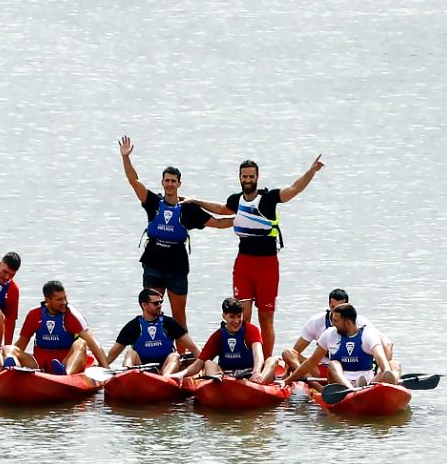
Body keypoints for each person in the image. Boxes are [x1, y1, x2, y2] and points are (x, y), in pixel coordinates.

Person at [184, 155, 325, 357]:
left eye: (251, 176)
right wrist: (195, 200)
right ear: (240, 178)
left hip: (267, 265)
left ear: (257, 177)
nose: (247, 180)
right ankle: (245, 360)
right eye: (244, 176)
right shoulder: (236, 200)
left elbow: (293, 190)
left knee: (266, 318)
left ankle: (266, 361)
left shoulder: (268, 199)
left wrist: (311, 171)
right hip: (244, 264)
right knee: (242, 317)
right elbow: (221, 209)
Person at [117, 136, 229, 328]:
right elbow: (133, 180)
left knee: (179, 317)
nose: (170, 184)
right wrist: (126, 157)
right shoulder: (152, 202)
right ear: (162, 183)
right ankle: (155, 351)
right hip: (153, 265)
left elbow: (218, 222)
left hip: (177, 268)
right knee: (151, 314)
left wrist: (246, 219)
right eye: (167, 180)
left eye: (173, 181)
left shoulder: (188, 209)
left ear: (179, 184)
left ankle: (184, 355)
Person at [281, 304, 401, 390]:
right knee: (333, 364)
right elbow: (311, 363)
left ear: (348, 323)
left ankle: (385, 386)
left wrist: (386, 371)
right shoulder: (329, 334)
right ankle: (351, 390)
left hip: (367, 382)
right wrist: (287, 381)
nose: (332, 324)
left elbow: (381, 358)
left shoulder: (368, 334)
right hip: (340, 384)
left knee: (394, 364)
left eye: (336, 321)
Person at [2, 280, 110, 376]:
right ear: (47, 300)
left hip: (64, 362)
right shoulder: (34, 315)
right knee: (8, 348)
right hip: (40, 363)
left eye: (65, 298)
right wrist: (4, 356)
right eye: (59, 300)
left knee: (81, 343)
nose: (64, 302)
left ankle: (66, 373)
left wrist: (106, 368)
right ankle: (11, 371)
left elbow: (92, 342)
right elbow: (21, 345)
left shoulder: (71, 315)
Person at [171, 297, 281, 383]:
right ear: (224, 316)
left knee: (272, 360)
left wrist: (256, 372)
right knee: (209, 363)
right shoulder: (218, 335)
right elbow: (199, 363)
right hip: (226, 376)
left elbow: (258, 354)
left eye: (239, 316)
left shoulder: (251, 330)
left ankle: (258, 383)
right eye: (232, 317)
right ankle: (215, 385)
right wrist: (181, 374)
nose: (237, 321)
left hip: (250, 374)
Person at [102, 288, 200, 376]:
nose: (160, 306)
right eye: (156, 303)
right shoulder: (133, 326)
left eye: (161, 302)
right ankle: (128, 376)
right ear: (144, 305)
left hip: (165, 368)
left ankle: (166, 378)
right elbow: (112, 355)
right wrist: (100, 367)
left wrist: (203, 368)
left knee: (174, 356)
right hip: (141, 371)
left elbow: (194, 348)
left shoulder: (169, 323)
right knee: (130, 353)